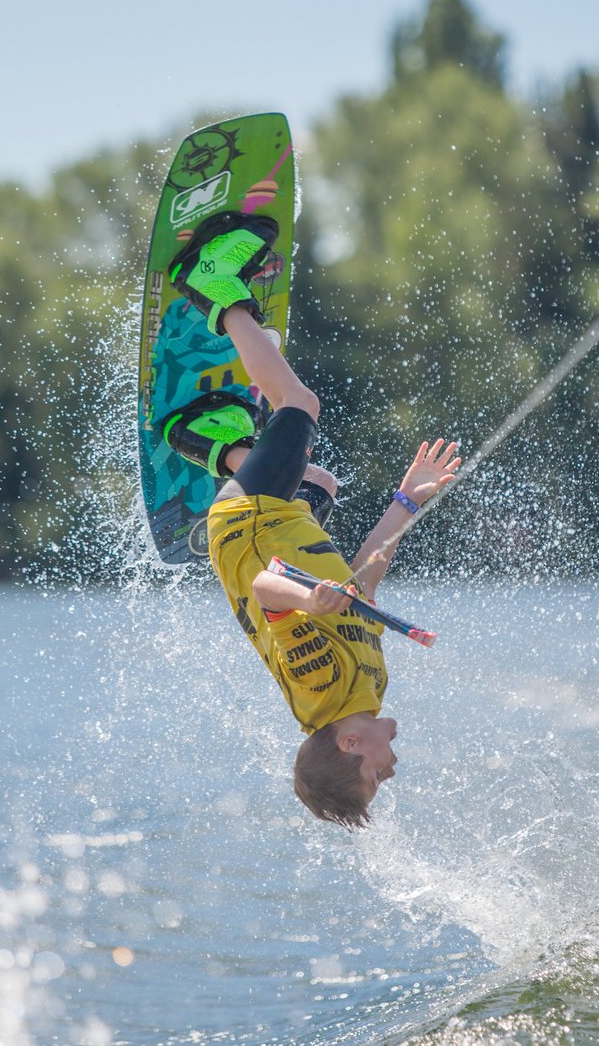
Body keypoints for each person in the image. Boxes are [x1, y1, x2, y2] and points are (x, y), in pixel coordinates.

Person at [162, 211, 461, 828]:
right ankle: (213, 441)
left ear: (350, 746)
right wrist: (407, 501)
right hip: (288, 519)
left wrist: (309, 599)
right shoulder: (368, 689)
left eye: (376, 774)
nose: (392, 768)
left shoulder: (320, 687)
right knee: (322, 483)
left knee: (298, 405)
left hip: (250, 525)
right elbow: (366, 580)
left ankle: (215, 285)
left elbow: (265, 591)